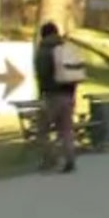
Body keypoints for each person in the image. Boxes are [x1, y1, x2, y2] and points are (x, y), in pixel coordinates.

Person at [33, 21, 86, 173]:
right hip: (68, 94)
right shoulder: (66, 47)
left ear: (43, 34)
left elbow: (42, 75)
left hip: (51, 95)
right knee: (66, 130)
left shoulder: (43, 51)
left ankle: (50, 159)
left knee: (42, 130)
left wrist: (41, 94)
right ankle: (70, 159)